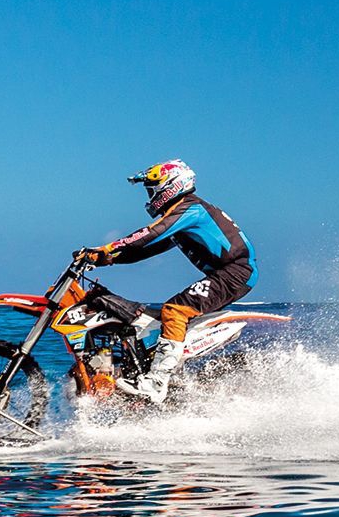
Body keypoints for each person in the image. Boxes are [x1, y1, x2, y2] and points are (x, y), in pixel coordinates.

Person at [73, 160, 256, 402]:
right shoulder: (182, 215)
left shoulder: (190, 209)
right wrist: (107, 259)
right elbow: (146, 249)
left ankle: (156, 382)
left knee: (174, 311)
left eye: (152, 188)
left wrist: (105, 248)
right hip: (228, 273)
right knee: (156, 318)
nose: (150, 195)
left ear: (169, 186)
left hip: (235, 272)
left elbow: (149, 234)